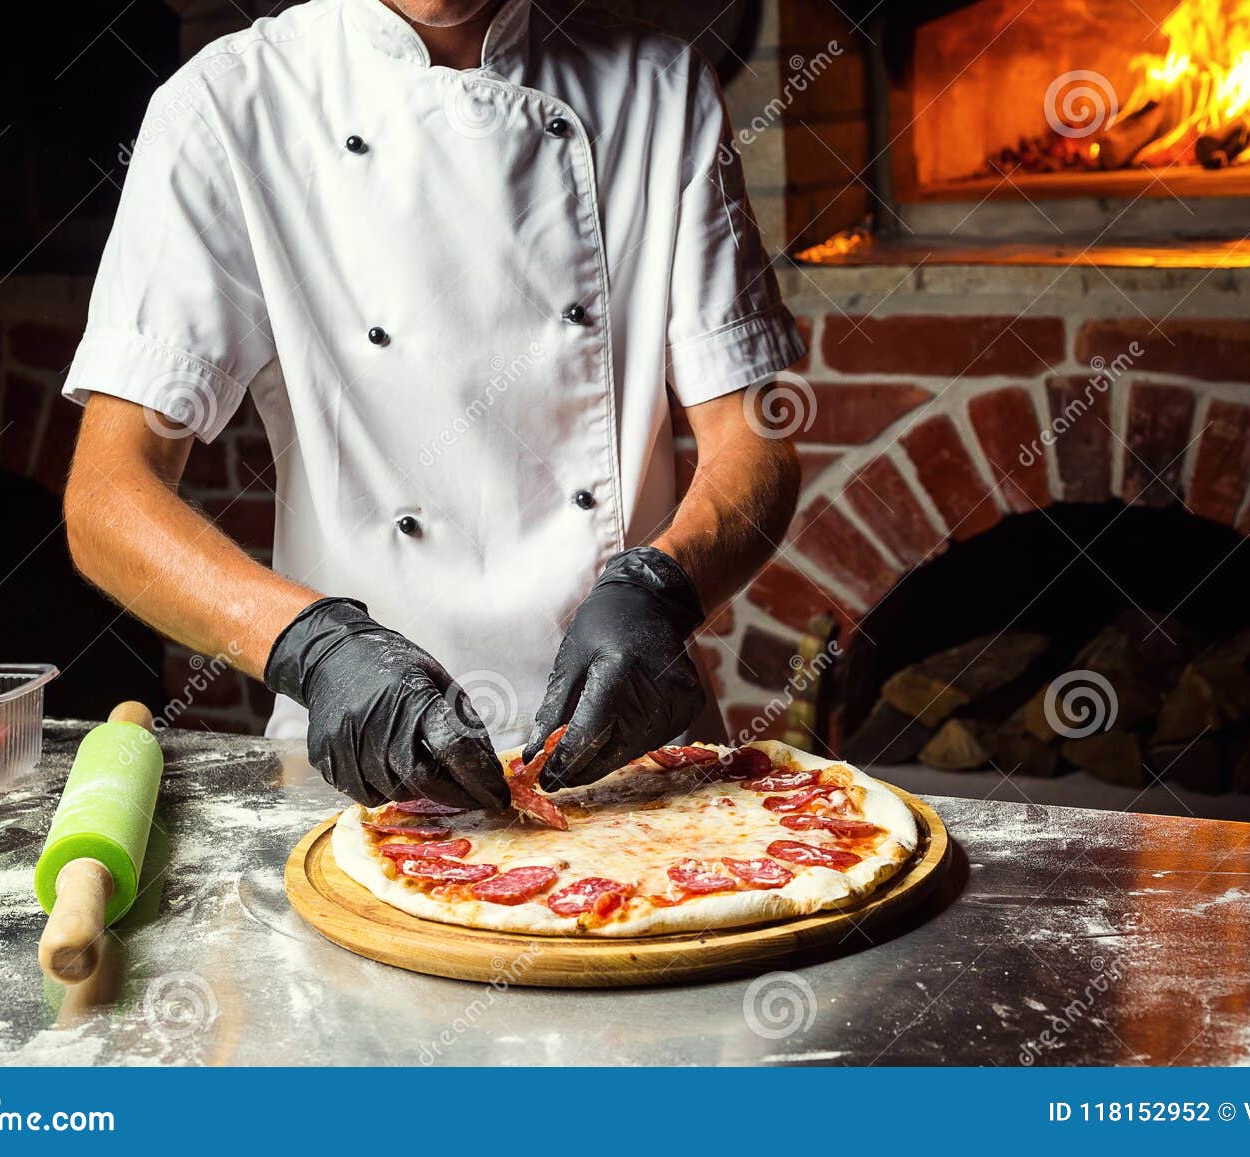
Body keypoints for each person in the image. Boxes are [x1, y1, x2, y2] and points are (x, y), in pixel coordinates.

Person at [62, 0, 804, 810]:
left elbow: (755, 442)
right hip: (361, 774)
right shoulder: (228, 107)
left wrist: (663, 587)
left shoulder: (660, 91)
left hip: (634, 767)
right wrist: (312, 646)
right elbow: (107, 499)